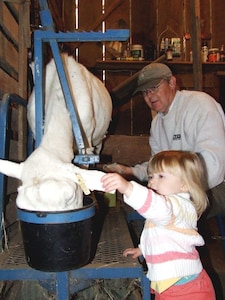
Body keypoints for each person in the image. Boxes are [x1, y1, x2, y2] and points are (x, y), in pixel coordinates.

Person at [104, 63, 225, 217]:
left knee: (166, 212)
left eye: (154, 87)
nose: (150, 95)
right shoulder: (157, 124)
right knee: (147, 207)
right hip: (178, 187)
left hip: (215, 185)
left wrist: (172, 193)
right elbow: (159, 166)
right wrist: (130, 171)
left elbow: (214, 167)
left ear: (172, 82)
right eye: (145, 92)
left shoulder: (200, 105)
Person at [101, 150, 216, 300]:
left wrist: (127, 188)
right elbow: (164, 235)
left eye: (161, 176)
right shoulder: (169, 207)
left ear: (184, 184)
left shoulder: (177, 205)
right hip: (171, 285)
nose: (152, 182)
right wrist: (143, 249)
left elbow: (157, 206)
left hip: (185, 290)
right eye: (150, 176)